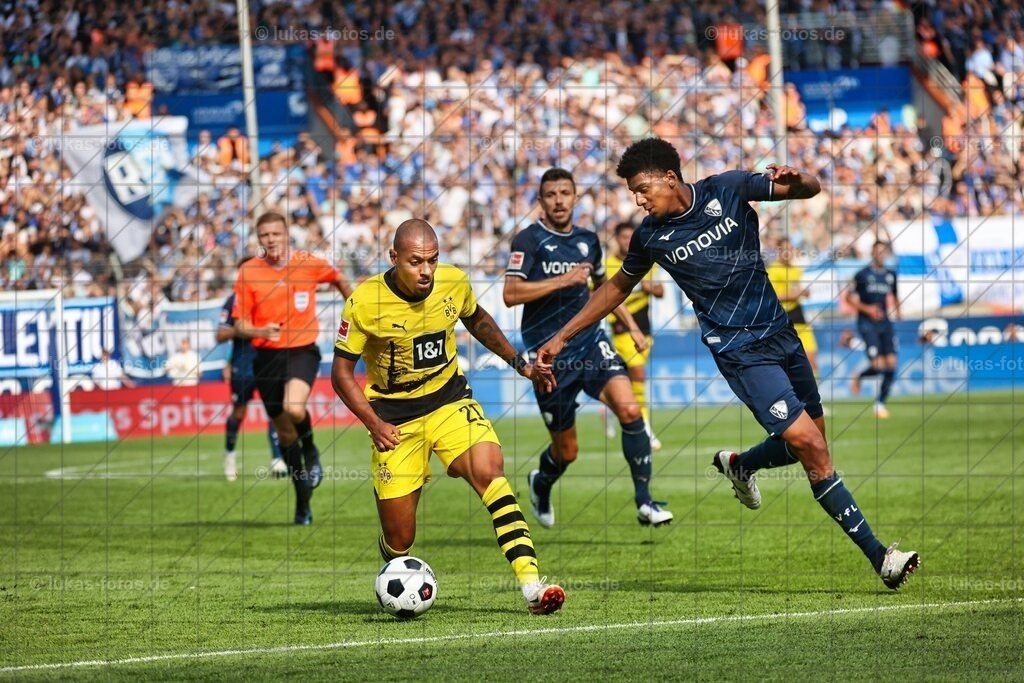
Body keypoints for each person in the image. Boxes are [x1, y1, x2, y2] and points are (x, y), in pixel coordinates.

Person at [536, 138, 919, 590]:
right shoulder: (649, 236)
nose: (637, 200)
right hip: (738, 350)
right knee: (812, 448)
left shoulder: (729, 188)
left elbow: (810, 190)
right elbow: (616, 288)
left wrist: (800, 182)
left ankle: (741, 464)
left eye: (642, 189)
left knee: (813, 441)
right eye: (633, 193)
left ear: (669, 178)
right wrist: (562, 336)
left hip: (780, 332)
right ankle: (881, 557)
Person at [332, 219, 565, 615]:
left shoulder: (453, 282)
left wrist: (521, 365)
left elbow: (477, 320)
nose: (426, 271)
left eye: (432, 261)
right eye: (416, 262)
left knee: (490, 471)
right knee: (400, 537)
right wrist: (374, 423)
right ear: (394, 258)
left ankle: (532, 586)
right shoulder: (364, 302)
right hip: (394, 421)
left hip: (449, 402)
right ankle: (394, 564)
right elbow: (341, 373)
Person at [503, 168, 673, 530]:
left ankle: (645, 501)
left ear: (576, 197)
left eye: (566, 192)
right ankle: (541, 482)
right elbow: (510, 294)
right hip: (548, 355)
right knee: (568, 452)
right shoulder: (528, 241)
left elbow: (605, 289)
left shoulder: (587, 240)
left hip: (592, 342)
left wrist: (629, 327)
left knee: (630, 410)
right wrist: (562, 280)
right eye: (551, 194)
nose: (559, 200)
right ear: (541, 201)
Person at [233, 212, 352, 524]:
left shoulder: (309, 262)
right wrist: (258, 331)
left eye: (276, 233)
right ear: (259, 239)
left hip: (302, 350)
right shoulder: (248, 272)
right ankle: (302, 502)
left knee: (294, 408)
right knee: (285, 433)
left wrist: (356, 310)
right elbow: (240, 323)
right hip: (266, 357)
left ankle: (311, 449)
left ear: (287, 235)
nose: (271, 239)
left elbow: (338, 278)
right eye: (264, 235)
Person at [603, 220, 665, 450]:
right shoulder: (607, 266)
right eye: (622, 237)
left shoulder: (645, 262)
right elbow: (600, 296)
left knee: (631, 381)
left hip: (646, 330)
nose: (626, 241)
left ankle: (611, 408)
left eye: (630, 237)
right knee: (638, 375)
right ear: (616, 239)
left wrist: (648, 287)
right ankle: (645, 428)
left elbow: (660, 291)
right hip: (622, 332)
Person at [217, 279, 284, 483]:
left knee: (274, 410)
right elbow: (220, 335)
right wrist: (242, 329)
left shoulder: (270, 297)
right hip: (243, 365)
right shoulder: (232, 302)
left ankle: (277, 459)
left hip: (268, 361)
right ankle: (229, 455)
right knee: (239, 412)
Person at [844, 240, 901, 418]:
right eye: (877, 251)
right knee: (877, 366)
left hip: (885, 323)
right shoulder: (862, 274)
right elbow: (848, 298)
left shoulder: (891, 275)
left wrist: (899, 314)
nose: (880, 255)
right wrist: (868, 309)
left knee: (892, 364)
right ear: (872, 253)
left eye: (883, 251)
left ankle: (880, 404)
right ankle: (859, 376)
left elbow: (895, 296)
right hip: (867, 324)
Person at [766, 236, 819, 374]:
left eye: (790, 249)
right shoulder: (773, 270)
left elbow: (800, 290)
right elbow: (772, 296)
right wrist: (795, 294)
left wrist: (805, 293)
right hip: (783, 320)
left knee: (812, 359)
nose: (789, 253)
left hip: (800, 316)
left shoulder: (797, 270)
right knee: (789, 364)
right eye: (785, 250)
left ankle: (814, 395)